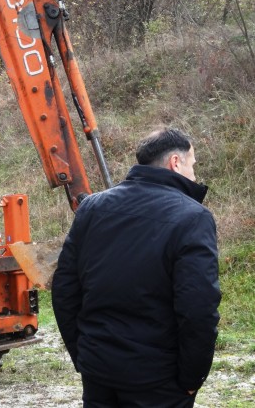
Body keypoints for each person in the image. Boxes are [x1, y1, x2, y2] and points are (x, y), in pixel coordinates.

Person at [52, 127, 221, 408]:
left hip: (98, 371)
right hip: (159, 380)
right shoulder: (193, 217)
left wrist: (84, 355)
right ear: (175, 162)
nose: (194, 174)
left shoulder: (92, 208)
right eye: (192, 164)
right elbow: (198, 309)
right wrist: (192, 379)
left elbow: (65, 289)